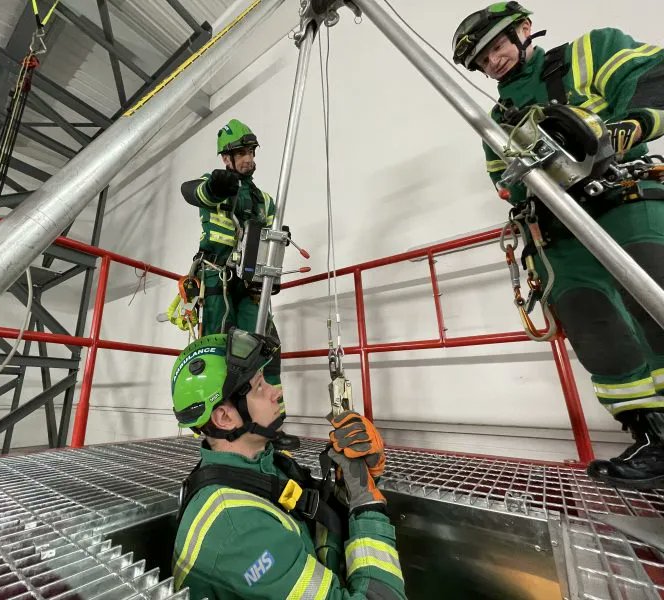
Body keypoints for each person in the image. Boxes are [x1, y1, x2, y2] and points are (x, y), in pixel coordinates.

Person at [452, 2, 664, 488]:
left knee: (652, 299)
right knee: (595, 326)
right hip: (559, 232)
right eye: (482, 61)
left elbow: (652, 76)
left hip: (624, 200)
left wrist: (622, 129)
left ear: (525, 30)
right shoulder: (497, 119)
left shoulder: (590, 52)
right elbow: (505, 183)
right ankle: (654, 439)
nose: (493, 63)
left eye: (497, 47)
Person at [169, 328, 407, 599]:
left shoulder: (263, 466)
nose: (275, 391)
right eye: (259, 386)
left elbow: (312, 530)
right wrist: (367, 505)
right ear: (224, 418)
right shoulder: (239, 530)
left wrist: (352, 484)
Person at [181, 118, 292, 446]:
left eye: (250, 151)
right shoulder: (214, 187)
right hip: (218, 283)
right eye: (240, 152)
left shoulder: (264, 200)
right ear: (226, 158)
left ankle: (271, 425)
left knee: (266, 348)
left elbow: (273, 238)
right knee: (217, 350)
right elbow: (192, 191)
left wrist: (274, 268)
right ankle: (216, 427)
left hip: (253, 286)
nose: (247, 158)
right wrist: (215, 186)